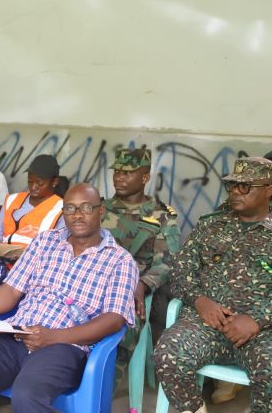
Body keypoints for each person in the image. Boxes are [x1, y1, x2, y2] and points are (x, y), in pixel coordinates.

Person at [0, 183, 138, 412]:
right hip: (14, 334)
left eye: (86, 208)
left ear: (101, 211)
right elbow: (11, 290)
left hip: (65, 345)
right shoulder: (45, 241)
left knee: (28, 395)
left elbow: (114, 319)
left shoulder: (120, 260)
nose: (77, 215)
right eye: (70, 208)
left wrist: (53, 337)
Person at [153, 157, 272, 413]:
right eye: (232, 186)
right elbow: (180, 269)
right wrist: (200, 301)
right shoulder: (210, 225)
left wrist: (256, 319)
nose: (236, 192)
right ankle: (195, 409)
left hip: (264, 334)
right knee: (168, 353)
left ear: (268, 189)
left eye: (246, 187)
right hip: (206, 325)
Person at [101, 148, 181, 389]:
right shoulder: (98, 208)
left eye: (128, 173)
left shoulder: (161, 215)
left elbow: (167, 260)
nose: (119, 178)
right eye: (117, 172)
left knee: (124, 321)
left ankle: (103, 385)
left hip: (132, 288)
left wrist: (143, 284)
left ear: (145, 178)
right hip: (93, 281)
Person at [0, 154, 66, 245]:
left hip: (34, 257)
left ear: (54, 182)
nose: (33, 187)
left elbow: (56, 246)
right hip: (2, 256)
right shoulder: (12, 200)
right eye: (30, 181)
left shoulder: (61, 209)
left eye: (40, 183)